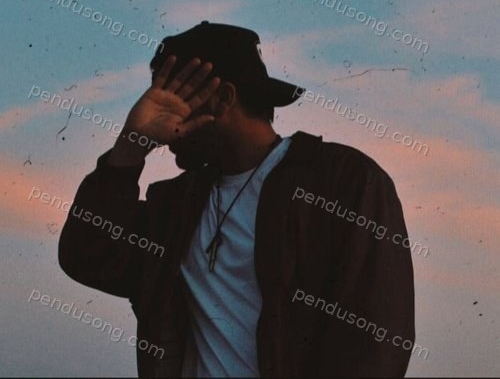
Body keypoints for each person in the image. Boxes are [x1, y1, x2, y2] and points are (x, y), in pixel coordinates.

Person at [59, 21, 415, 377]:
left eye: (171, 102)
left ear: (222, 99)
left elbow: (377, 342)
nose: (161, 121)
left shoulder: (343, 182)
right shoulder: (174, 207)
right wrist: (129, 149)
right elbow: (86, 257)